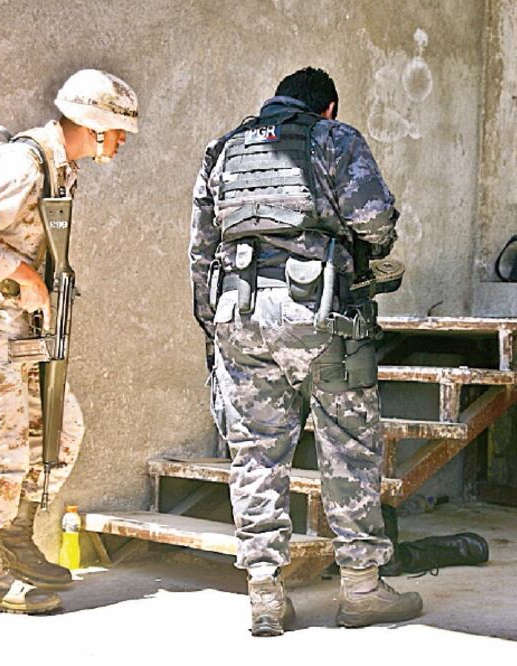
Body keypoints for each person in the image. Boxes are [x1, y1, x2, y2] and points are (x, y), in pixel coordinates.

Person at [188, 67, 423, 635]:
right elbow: (374, 220)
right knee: (349, 447)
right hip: (320, 317)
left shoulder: (223, 150)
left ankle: (265, 595)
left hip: (239, 315)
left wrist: (214, 328)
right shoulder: (334, 138)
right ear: (329, 107)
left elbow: (201, 249)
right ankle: (361, 590)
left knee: (256, 454)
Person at [0, 69, 138, 614]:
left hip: (23, 328)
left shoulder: (60, 167)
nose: (122, 140)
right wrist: (23, 275)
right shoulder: (24, 163)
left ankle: (17, 543)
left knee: (58, 430)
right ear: (95, 125)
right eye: (119, 130)